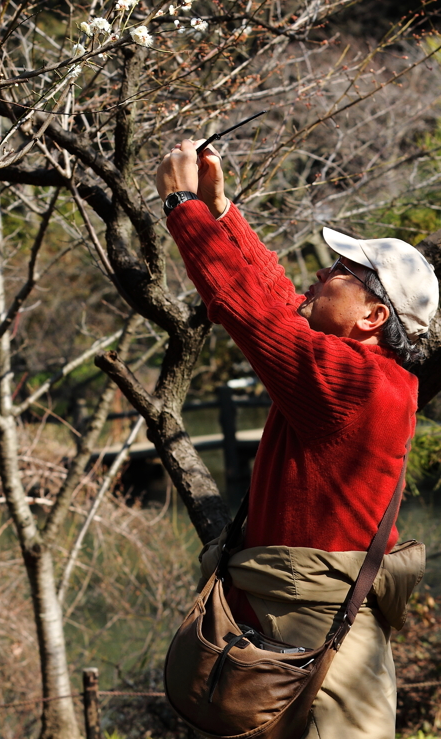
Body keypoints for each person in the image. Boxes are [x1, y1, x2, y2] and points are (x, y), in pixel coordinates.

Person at [156, 138, 439, 739]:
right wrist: (222, 212)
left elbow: (256, 314)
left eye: (343, 272)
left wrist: (182, 205)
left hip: (323, 644)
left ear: (373, 318)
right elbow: (278, 302)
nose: (322, 272)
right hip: (297, 630)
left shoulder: (356, 384)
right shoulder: (358, 371)